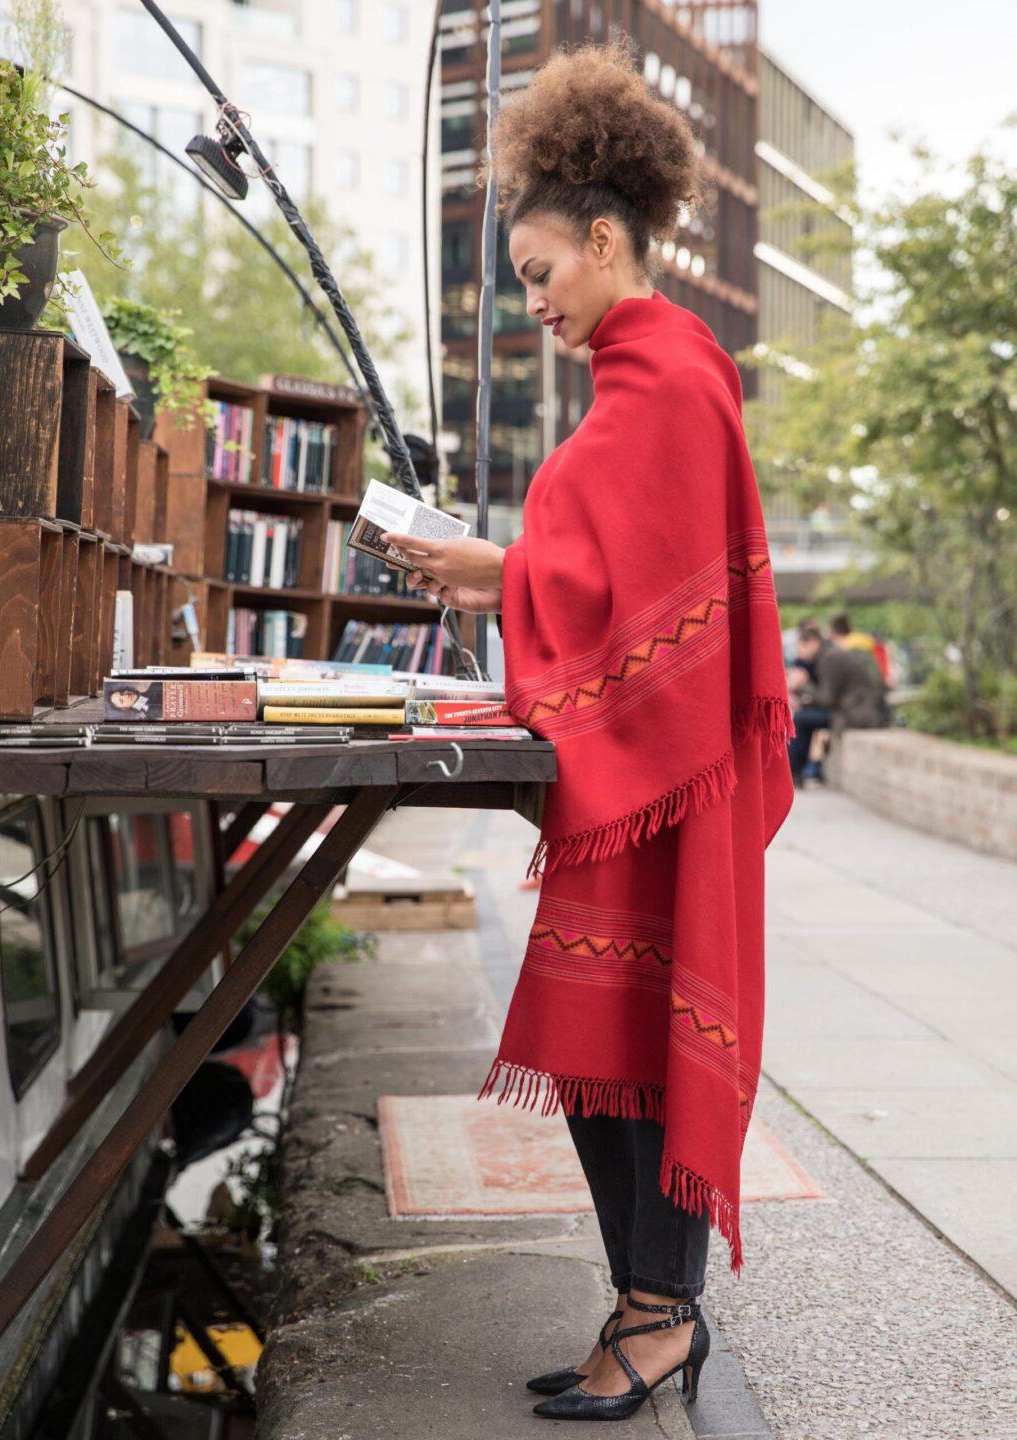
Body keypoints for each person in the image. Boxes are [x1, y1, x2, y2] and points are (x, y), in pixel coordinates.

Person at [384, 38, 794, 1422]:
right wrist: (503, 569)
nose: (536, 306)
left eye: (543, 274)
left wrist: (501, 573)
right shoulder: (650, 368)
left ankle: (661, 1315)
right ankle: (642, 1307)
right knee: (599, 1033)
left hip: (667, 776)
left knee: (637, 1029)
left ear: (607, 239)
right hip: (650, 774)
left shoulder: (665, 375)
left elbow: (637, 595)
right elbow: (619, 569)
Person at [787, 622, 889, 780]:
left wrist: (803, 685)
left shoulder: (829, 658)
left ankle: (793, 772)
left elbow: (827, 698)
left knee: (801, 719)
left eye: (802, 646)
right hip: (849, 709)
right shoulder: (828, 654)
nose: (799, 652)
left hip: (856, 713)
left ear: (813, 642)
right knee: (804, 716)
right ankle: (800, 770)